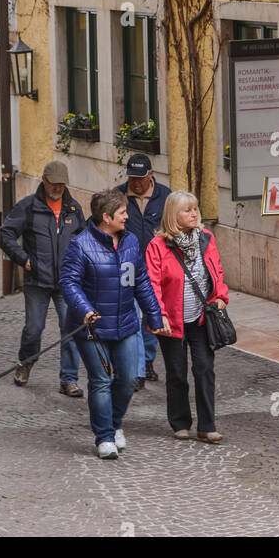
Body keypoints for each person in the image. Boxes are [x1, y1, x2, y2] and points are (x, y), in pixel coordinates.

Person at [60, 188, 164, 459]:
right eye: (121, 213)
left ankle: (116, 423)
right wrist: (85, 309)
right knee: (101, 380)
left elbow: (141, 281)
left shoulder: (130, 242)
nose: (127, 217)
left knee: (129, 379)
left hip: (126, 323)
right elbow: (69, 282)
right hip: (91, 328)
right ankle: (104, 436)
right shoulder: (80, 244)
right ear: (106, 217)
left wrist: (155, 316)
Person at [145, 191, 229, 444]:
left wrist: (221, 296)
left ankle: (207, 425)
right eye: (187, 210)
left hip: (202, 318)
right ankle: (180, 423)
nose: (193, 214)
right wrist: (159, 316)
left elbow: (217, 270)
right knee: (177, 372)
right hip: (172, 320)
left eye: (195, 209)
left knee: (204, 369)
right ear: (173, 215)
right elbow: (152, 283)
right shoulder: (158, 246)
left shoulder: (206, 238)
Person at [0, 160, 85, 396]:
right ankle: (25, 362)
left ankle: (69, 379)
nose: (57, 188)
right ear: (44, 181)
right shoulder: (28, 206)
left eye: (61, 184)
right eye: (53, 184)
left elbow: (84, 240)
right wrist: (24, 259)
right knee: (34, 328)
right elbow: (5, 234)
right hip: (37, 279)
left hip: (67, 281)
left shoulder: (74, 209)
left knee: (70, 329)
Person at [116, 153, 170, 385]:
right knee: (132, 320)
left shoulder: (166, 196)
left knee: (151, 319)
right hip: (128, 269)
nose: (135, 183)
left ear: (151, 175)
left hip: (157, 270)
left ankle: (147, 360)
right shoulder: (117, 196)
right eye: (132, 178)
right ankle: (137, 371)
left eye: (140, 178)